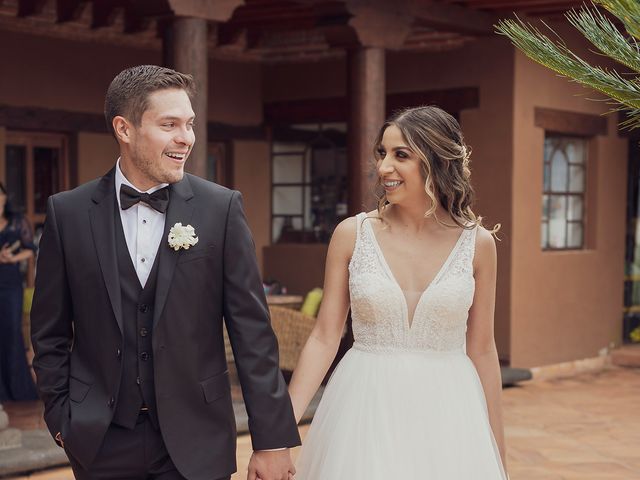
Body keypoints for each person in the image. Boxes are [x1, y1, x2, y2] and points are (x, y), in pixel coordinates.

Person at [30, 65, 300, 480]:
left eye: (189, 125)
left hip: (198, 439)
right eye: (169, 124)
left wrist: (272, 439)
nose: (186, 138)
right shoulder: (67, 213)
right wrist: (62, 419)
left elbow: (253, 334)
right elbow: (48, 331)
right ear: (124, 128)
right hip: (100, 441)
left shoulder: (220, 209)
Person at [289, 106, 508, 479]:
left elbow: (483, 349)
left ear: (437, 161)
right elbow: (325, 337)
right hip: (363, 407)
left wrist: (497, 451)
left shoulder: (478, 244)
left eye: (400, 155)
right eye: (382, 153)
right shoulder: (351, 234)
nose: (384, 167)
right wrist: (278, 431)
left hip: (449, 413)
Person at [0, 182, 39, 402]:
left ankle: (18, 390)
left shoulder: (17, 222)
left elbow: (30, 250)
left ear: (5, 198)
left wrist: (11, 258)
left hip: (11, 286)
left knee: (13, 333)